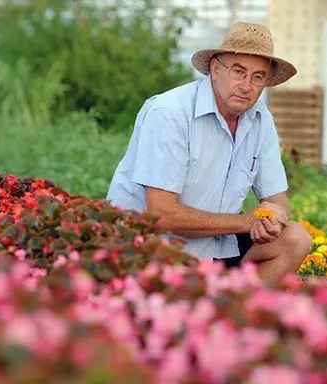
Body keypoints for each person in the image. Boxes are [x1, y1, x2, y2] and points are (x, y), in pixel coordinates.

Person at [106, 21, 313, 285]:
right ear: (215, 69)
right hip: (152, 246)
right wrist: (247, 222)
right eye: (238, 72)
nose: (246, 86)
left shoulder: (260, 118)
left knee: (294, 239)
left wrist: (271, 218)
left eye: (258, 77)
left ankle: (230, 313)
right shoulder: (170, 113)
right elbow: (161, 213)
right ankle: (196, 307)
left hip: (216, 244)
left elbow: (278, 198)